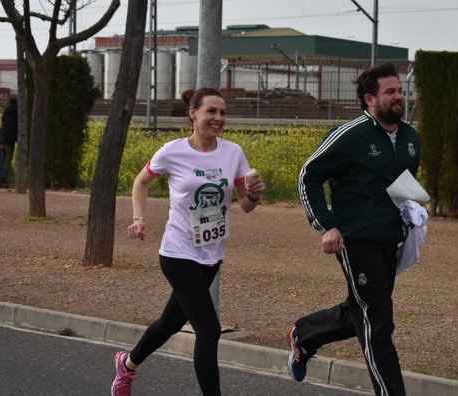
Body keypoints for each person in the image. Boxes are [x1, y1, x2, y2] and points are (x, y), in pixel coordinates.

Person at [111, 87, 266, 396]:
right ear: (193, 113)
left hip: (211, 253)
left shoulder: (233, 153)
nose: (218, 118)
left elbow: (244, 206)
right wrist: (139, 218)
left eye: (222, 113)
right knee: (208, 330)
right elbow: (141, 181)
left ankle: (127, 364)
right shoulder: (172, 151)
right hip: (177, 251)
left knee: (169, 323)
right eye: (211, 111)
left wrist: (255, 195)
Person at [287, 62, 420, 396]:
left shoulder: (410, 139)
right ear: (369, 99)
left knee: (359, 311)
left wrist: (415, 216)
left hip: (390, 241)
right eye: (390, 91)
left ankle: (304, 335)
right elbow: (309, 176)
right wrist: (326, 225)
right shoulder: (351, 135)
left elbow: (402, 186)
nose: (398, 96)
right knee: (378, 321)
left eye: (400, 90)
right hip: (354, 240)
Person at [1, 97, 17, 186]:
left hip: (4, 135)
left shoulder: (6, 110)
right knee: (9, 156)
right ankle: (5, 175)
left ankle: (4, 174)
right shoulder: (18, 111)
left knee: (5, 155)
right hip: (12, 137)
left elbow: (3, 120)